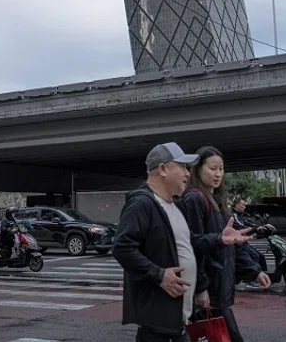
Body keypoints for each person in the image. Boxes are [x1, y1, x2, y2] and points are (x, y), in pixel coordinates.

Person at [113, 142, 252, 342]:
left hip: (176, 315)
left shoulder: (172, 204)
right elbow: (122, 247)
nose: (188, 173)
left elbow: (190, 242)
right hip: (158, 317)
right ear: (162, 169)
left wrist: (219, 239)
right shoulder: (142, 203)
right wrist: (159, 275)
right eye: (182, 167)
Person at [183, 146, 270, 342]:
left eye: (221, 169)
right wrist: (200, 287)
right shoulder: (194, 199)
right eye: (213, 168)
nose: (218, 174)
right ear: (198, 169)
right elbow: (193, 246)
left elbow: (232, 243)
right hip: (210, 288)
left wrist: (254, 270)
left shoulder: (217, 200)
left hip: (221, 284)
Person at [230, 198, 267, 284]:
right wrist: (255, 229)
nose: (245, 206)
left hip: (243, 241)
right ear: (237, 205)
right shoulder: (233, 215)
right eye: (243, 204)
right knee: (254, 256)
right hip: (238, 242)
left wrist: (258, 226)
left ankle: (260, 276)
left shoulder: (240, 215)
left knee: (260, 256)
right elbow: (239, 226)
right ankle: (250, 280)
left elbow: (247, 222)